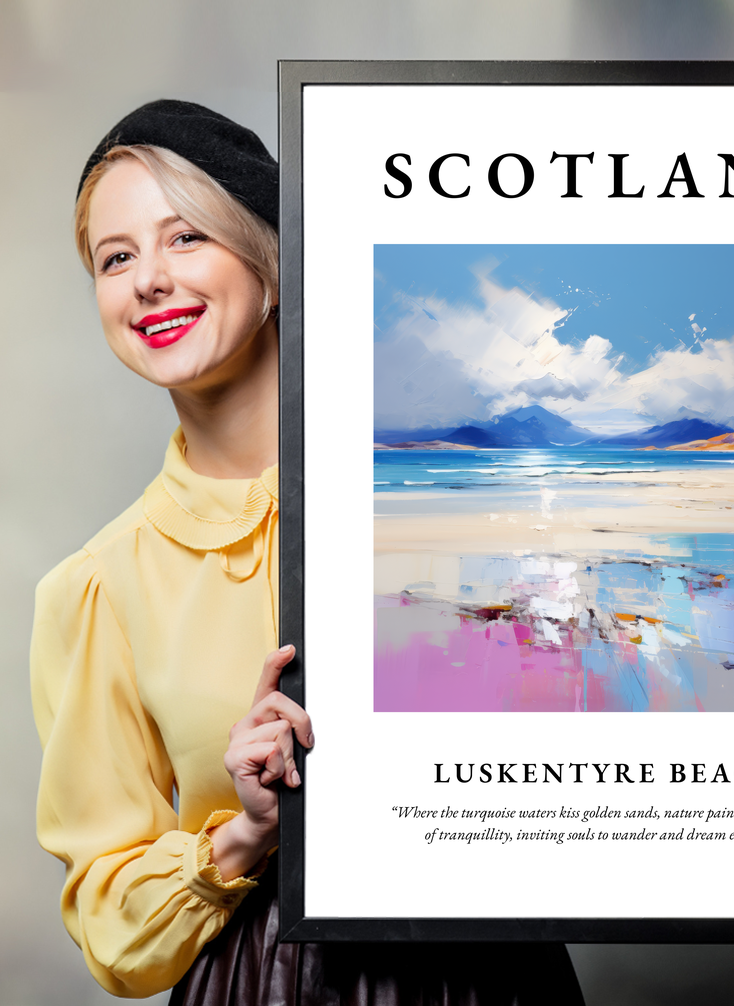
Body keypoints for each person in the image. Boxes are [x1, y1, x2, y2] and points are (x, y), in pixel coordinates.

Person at [30, 100, 585, 1004]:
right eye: (116, 257)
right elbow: (110, 923)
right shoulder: (97, 587)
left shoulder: (470, 498)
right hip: (263, 982)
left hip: (492, 973)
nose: (148, 281)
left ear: (273, 264)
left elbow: (613, 701)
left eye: (186, 239)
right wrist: (245, 832)